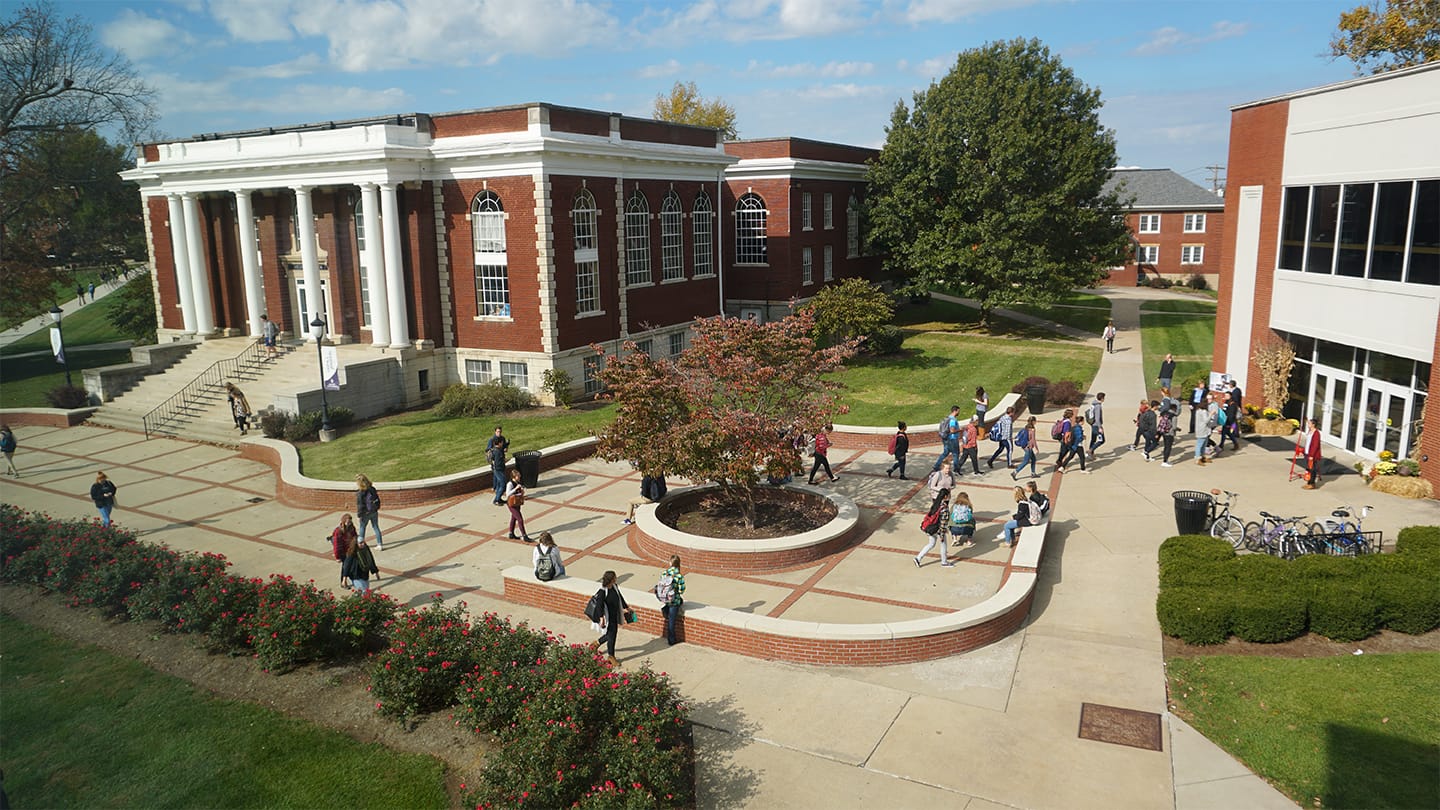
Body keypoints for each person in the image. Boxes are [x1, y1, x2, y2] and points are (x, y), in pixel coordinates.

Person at [593, 570, 630, 664]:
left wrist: (627, 608)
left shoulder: (615, 587)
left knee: (611, 634)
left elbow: (620, 598)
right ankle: (611, 656)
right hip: (608, 617)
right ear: (611, 579)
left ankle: (596, 643)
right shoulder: (602, 591)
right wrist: (601, 618)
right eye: (615, 577)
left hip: (615, 615)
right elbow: (599, 606)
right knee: (612, 635)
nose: (616, 578)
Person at [914, 487, 953, 568]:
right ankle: (944, 562)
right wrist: (942, 533)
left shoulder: (936, 503)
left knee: (931, 544)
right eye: (948, 495)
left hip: (931, 528)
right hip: (938, 529)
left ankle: (918, 558)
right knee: (943, 545)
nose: (950, 496)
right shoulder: (944, 507)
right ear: (945, 496)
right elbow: (943, 522)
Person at [657, 555, 685, 645]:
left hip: (665, 598)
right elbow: (682, 590)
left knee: (669, 611)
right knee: (671, 622)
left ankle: (665, 609)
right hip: (674, 601)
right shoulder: (679, 576)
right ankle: (671, 640)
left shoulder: (665, 573)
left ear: (670, 563)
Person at [354, 474, 383, 551]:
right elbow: (377, 499)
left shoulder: (360, 493)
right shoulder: (372, 489)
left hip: (365, 513)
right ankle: (380, 544)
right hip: (374, 511)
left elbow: (360, 505)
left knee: (362, 527)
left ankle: (361, 543)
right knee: (376, 527)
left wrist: (359, 515)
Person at [932, 405, 962, 472]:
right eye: (958, 411)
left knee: (945, 453)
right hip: (952, 439)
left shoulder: (947, 418)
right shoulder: (953, 420)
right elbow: (952, 430)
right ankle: (956, 469)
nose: (959, 413)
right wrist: (959, 430)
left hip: (946, 439)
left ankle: (936, 466)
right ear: (955, 411)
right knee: (956, 454)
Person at [504, 468, 530, 541]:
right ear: (513, 477)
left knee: (514, 518)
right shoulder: (510, 484)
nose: (519, 478)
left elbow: (518, 493)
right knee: (520, 519)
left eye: (519, 476)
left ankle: (511, 533)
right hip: (511, 504)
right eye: (518, 476)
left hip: (517, 503)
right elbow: (507, 494)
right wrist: (515, 489)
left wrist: (522, 492)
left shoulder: (518, 483)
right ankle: (524, 535)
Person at [330, 513, 358, 583]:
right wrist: (337, 557)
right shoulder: (338, 531)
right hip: (343, 551)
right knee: (345, 566)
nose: (349, 523)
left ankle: (347, 579)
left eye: (350, 521)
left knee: (349, 565)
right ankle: (343, 582)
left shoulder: (352, 528)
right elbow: (337, 545)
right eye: (348, 522)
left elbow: (355, 536)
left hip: (351, 549)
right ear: (344, 521)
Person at [486, 426, 509, 506]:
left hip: (499, 467)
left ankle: (498, 499)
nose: (499, 433)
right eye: (498, 431)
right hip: (498, 468)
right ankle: (496, 499)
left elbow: (504, 448)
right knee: (502, 484)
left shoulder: (501, 441)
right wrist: (504, 460)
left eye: (500, 431)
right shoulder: (493, 442)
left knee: (501, 483)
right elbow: (488, 452)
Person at [1302, 418, 1323, 490]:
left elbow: (1315, 445)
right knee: (1308, 468)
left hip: (1312, 454)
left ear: (1313, 424)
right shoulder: (1310, 431)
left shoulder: (1316, 433)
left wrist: (1311, 455)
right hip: (1307, 452)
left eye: (1309, 423)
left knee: (1312, 469)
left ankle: (1312, 483)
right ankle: (1308, 482)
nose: (1308, 425)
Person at [1158, 399, 1179, 467]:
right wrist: (1178, 429)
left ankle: (1165, 460)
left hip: (1164, 432)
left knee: (1165, 446)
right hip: (1170, 433)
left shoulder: (1165, 414)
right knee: (1168, 447)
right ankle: (1165, 461)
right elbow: (1174, 427)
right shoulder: (1174, 416)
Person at [1224, 381, 1243, 451]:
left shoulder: (1236, 391)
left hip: (1235, 408)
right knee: (1234, 422)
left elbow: (1236, 400)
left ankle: (1235, 433)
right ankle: (1235, 433)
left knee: (1234, 422)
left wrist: (1236, 407)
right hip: (1234, 407)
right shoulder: (1235, 390)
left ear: (1231, 385)